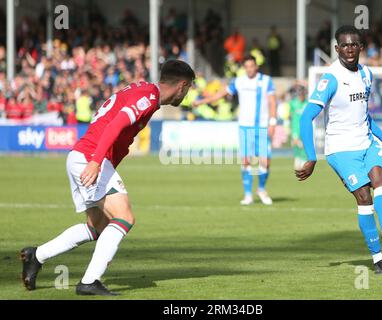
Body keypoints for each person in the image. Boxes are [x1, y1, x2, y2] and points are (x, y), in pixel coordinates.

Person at [20, 60, 195, 296]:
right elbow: (115, 124)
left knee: (97, 227)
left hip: (84, 155)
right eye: (190, 88)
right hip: (91, 158)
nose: (187, 93)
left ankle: (36, 255)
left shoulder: (143, 90)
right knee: (124, 217)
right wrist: (96, 161)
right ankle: (89, 281)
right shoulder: (148, 98)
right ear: (182, 86)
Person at [295, 25, 382, 274]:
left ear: (361, 47)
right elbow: (304, 118)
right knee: (364, 199)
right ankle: (377, 258)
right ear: (336, 48)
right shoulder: (330, 79)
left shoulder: (367, 74)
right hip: (340, 149)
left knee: (381, 179)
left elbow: (363, 112)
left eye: (354, 44)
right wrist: (311, 157)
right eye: (344, 45)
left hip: (366, 143)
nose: (350, 49)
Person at [193, 55, 277, 205]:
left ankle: (261, 189)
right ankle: (247, 195)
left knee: (265, 162)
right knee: (246, 161)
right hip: (245, 127)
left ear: (256, 66)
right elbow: (220, 94)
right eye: (247, 67)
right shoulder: (239, 82)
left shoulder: (266, 81)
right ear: (244, 68)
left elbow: (272, 101)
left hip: (262, 127)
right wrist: (201, 101)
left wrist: (272, 121)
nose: (249, 69)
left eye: (252, 66)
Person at [289, 84, 308, 170]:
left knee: (304, 145)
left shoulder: (307, 103)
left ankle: (303, 161)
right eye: (300, 94)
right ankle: (297, 160)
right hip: (295, 128)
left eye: (303, 94)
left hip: (305, 127)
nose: (301, 96)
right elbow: (290, 115)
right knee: (296, 144)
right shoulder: (293, 103)